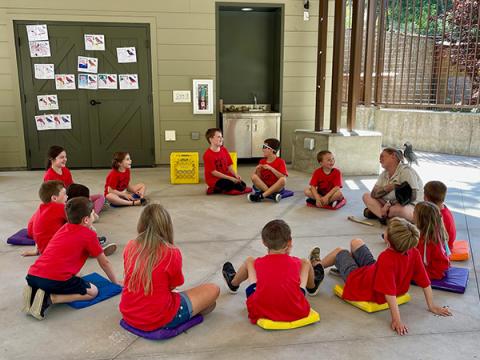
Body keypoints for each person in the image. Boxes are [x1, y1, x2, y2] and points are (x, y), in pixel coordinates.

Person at [320, 217, 451, 335]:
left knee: (340, 251)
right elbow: (425, 281)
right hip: (373, 271)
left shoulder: (386, 259)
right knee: (356, 242)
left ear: (388, 240)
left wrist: (397, 320)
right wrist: (431, 305)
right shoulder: (413, 252)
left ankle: (315, 269)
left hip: (360, 283)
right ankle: (345, 265)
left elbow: (389, 292)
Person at [119, 204, 219, 331]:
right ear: (166, 226)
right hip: (158, 318)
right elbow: (173, 285)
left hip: (129, 313)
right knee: (213, 289)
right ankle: (190, 311)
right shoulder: (171, 252)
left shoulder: (130, 246)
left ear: (141, 224)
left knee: (205, 303)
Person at [23, 197, 122, 320]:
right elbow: (105, 263)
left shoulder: (63, 228)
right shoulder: (89, 235)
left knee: (76, 275)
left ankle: (35, 290)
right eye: (92, 213)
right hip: (53, 280)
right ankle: (49, 298)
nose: (94, 215)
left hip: (33, 275)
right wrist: (115, 282)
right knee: (93, 292)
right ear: (86, 219)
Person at [222, 220, 324, 324]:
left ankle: (233, 283)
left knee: (249, 261)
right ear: (289, 242)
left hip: (260, 311)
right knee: (306, 262)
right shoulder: (296, 263)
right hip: (297, 311)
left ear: (263, 242)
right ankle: (312, 287)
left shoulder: (258, 263)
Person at [362, 147, 423, 223]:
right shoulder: (384, 174)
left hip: (409, 206)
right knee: (366, 196)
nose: (380, 159)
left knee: (397, 210)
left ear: (393, 156)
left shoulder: (406, 171)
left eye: (382, 156)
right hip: (388, 205)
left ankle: (379, 214)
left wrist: (389, 204)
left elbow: (413, 196)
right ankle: (386, 218)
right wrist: (389, 187)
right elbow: (373, 194)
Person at [44, 145, 105, 216]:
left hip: (71, 197)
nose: (65, 159)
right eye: (61, 157)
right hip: (63, 202)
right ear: (52, 159)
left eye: (65, 157)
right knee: (84, 204)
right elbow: (51, 199)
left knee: (100, 197)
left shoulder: (65, 170)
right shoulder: (49, 176)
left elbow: (71, 186)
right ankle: (88, 214)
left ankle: (90, 213)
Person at [22, 181, 67, 257]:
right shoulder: (59, 207)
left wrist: (36, 250)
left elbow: (34, 229)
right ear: (54, 198)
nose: (67, 196)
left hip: (44, 250)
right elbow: (78, 221)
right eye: (64, 194)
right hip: (57, 251)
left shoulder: (41, 208)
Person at [203, 128, 248, 194]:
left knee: (242, 185)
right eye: (218, 137)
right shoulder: (207, 155)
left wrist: (235, 175)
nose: (221, 139)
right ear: (211, 139)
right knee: (230, 184)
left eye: (222, 137)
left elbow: (229, 166)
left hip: (226, 176)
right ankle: (213, 188)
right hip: (214, 179)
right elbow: (214, 172)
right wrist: (230, 178)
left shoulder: (224, 150)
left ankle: (223, 189)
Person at [414, 201, 450, 280]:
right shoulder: (435, 230)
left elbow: (421, 262)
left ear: (422, 219)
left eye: (414, 213)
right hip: (441, 266)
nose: (413, 214)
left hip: (434, 272)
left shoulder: (426, 240)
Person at [248, 138, 288, 203]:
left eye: (264, 147)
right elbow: (259, 178)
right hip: (264, 186)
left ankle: (261, 196)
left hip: (276, 187)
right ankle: (272, 195)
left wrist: (271, 169)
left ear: (271, 150)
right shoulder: (262, 161)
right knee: (254, 176)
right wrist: (258, 170)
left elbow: (282, 176)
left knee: (283, 179)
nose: (262, 149)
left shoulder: (280, 161)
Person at [424, 181, 456, 251]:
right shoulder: (443, 208)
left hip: (443, 249)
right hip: (446, 244)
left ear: (426, 198)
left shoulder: (437, 216)